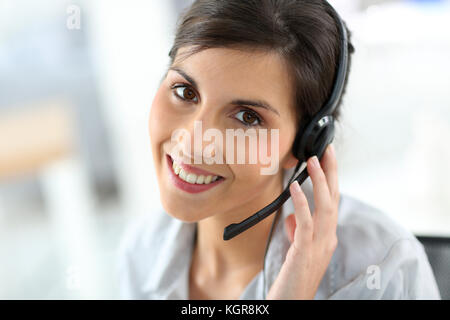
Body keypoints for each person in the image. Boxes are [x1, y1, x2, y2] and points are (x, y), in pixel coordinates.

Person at [116, 0, 441, 299]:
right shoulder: (141, 252)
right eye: (185, 92)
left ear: (306, 142)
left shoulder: (382, 271)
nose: (193, 143)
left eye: (247, 117)